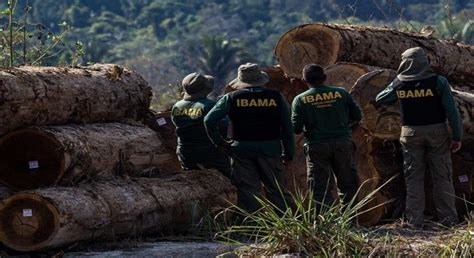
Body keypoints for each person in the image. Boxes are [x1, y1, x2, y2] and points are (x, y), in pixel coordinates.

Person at [375, 47, 462, 228]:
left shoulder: (400, 83)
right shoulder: (438, 81)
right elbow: (452, 112)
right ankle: (449, 221)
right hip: (437, 133)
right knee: (442, 177)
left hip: (410, 134)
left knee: (413, 178)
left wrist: (395, 83)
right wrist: (457, 136)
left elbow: (381, 98)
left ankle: (415, 222)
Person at [204, 63, 295, 213]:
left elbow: (209, 120)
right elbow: (287, 126)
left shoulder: (231, 97)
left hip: (242, 150)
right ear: (261, 79)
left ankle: (254, 227)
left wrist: (220, 142)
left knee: (248, 190)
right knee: (276, 189)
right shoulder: (276, 97)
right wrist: (288, 153)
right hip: (270, 148)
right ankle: (288, 224)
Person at [291, 64, 361, 210]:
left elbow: (296, 128)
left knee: (319, 187)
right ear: (324, 78)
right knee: (348, 184)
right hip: (342, 143)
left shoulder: (300, 100)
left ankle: (325, 223)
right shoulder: (341, 93)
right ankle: (351, 221)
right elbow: (357, 116)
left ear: (305, 80)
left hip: (316, 146)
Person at [171, 72, 231, 178]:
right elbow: (224, 126)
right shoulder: (210, 105)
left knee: (192, 180)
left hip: (185, 151)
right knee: (227, 178)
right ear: (205, 89)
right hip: (210, 152)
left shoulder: (177, 106)